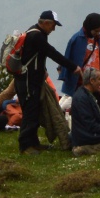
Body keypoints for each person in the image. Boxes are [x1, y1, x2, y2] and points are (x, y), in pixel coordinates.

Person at [8, 11, 76, 154]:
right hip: (28, 82)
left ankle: (34, 143)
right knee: (30, 113)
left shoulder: (34, 32)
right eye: (52, 25)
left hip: (28, 80)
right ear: (45, 23)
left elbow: (36, 55)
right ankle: (25, 146)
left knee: (33, 111)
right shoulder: (37, 36)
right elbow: (52, 53)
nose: (53, 29)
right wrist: (73, 67)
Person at [59, 13, 100, 110]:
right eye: (96, 31)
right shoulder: (77, 39)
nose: (97, 33)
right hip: (81, 80)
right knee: (83, 105)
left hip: (96, 78)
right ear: (89, 27)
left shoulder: (99, 39)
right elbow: (68, 58)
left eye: (99, 31)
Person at [69, 67, 100, 155]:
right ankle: (85, 149)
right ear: (92, 81)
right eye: (99, 79)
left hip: (84, 134)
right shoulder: (82, 98)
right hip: (86, 136)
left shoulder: (84, 94)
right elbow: (91, 125)